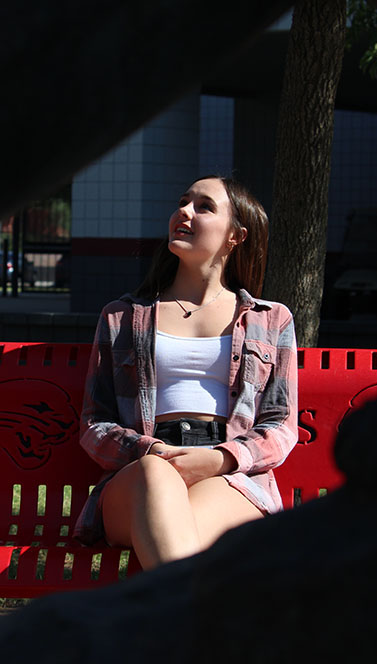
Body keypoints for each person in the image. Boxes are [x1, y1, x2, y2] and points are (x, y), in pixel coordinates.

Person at [73, 176, 299, 569]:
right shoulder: (122, 317)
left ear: (236, 236)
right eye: (182, 202)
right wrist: (152, 451)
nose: (184, 211)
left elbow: (280, 424)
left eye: (204, 207)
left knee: (178, 537)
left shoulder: (271, 320)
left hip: (229, 475)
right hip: (140, 468)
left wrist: (222, 459)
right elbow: (95, 423)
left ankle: (175, 622)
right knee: (156, 478)